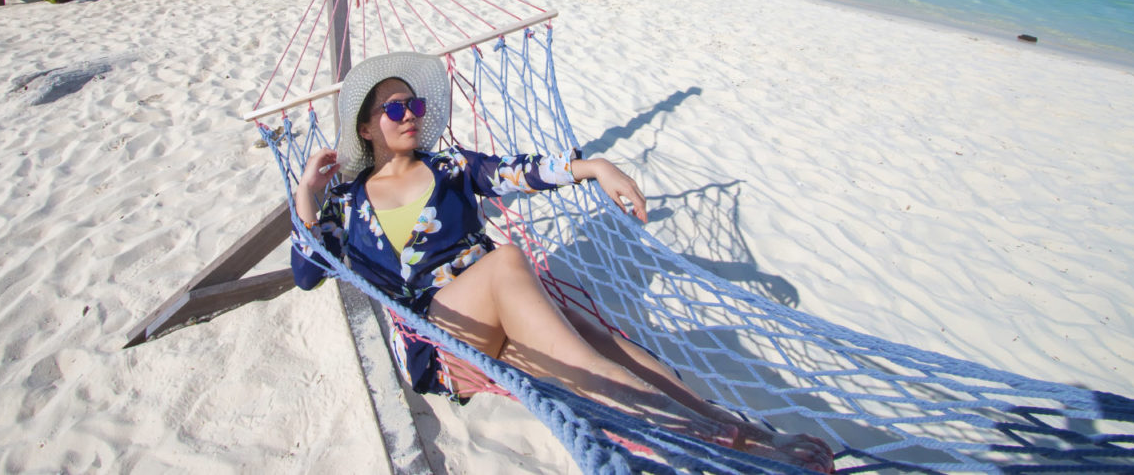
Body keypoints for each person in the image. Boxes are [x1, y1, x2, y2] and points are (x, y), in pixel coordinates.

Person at [291, 51, 833, 472]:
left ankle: (736, 429)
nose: (409, 115)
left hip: (500, 315)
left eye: (416, 105)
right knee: (512, 268)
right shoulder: (346, 202)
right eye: (393, 108)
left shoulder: (451, 165)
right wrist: (307, 198)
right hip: (443, 340)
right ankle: (714, 445)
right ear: (366, 128)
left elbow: (520, 170)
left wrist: (594, 166)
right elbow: (307, 274)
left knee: (606, 340)